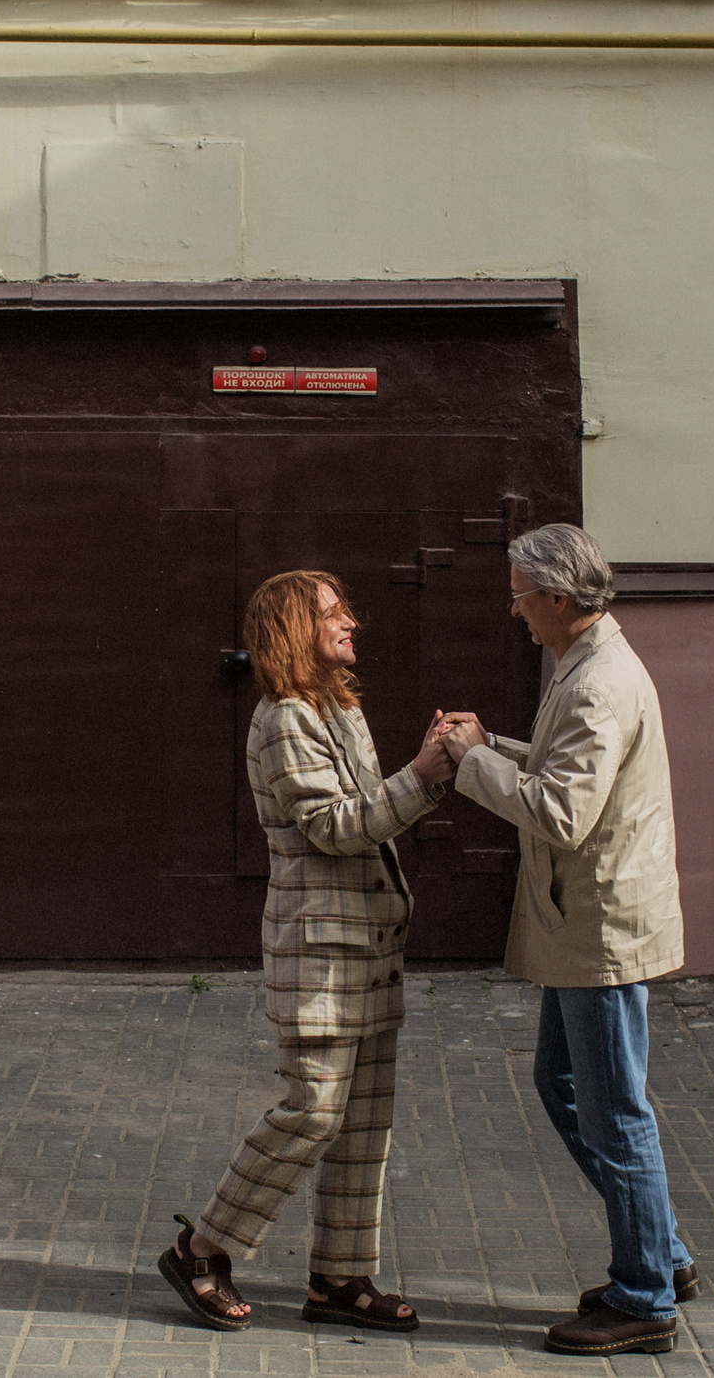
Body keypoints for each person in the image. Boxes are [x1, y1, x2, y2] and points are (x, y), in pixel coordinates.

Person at [156, 570, 462, 1334]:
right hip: (320, 950)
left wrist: (423, 770)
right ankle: (201, 1248)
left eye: (346, 608)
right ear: (294, 628)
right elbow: (334, 825)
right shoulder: (285, 716)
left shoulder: (339, 708)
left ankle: (340, 1277)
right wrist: (423, 778)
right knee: (315, 1111)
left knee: (363, 1121)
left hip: (371, 942)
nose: (350, 621)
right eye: (332, 612)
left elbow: (368, 808)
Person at [441, 523, 694, 1356]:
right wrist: (489, 746)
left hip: (600, 928)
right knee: (566, 1085)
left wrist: (475, 764)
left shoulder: (597, 683)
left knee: (613, 1110)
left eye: (519, 594)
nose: (513, 610)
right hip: (587, 922)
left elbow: (562, 811)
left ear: (557, 597)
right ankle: (660, 1253)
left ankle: (645, 1294)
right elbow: (559, 770)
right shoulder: (587, 664)